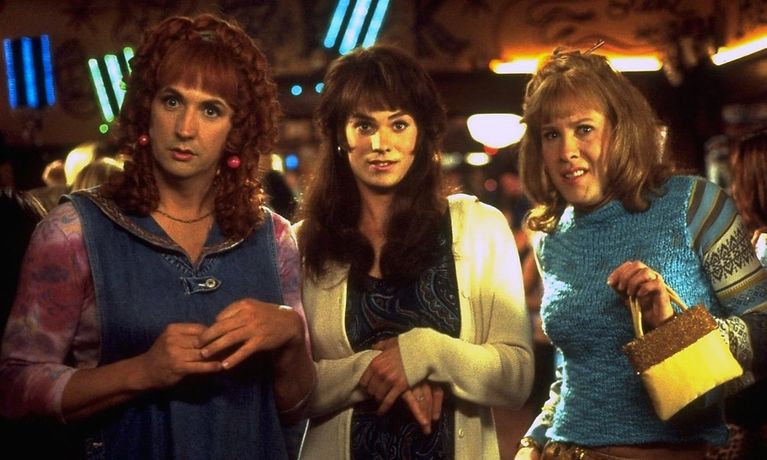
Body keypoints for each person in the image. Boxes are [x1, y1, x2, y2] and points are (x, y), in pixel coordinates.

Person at [0, 13, 314, 460]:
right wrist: (142, 371)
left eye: (211, 110)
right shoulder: (73, 231)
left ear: (237, 131)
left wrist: (291, 336)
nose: (185, 128)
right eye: (172, 101)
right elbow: (14, 386)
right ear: (146, 107)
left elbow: (298, 408)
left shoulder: (274, 238)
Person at [513, 46, 767, 460]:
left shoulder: (695, 204)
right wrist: (533, 440)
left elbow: (763, 329)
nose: (566, 151)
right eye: (551, 134)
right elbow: (574, 370)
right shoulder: (552, 237)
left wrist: (670, 328)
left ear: (622, 131)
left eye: (583, 128)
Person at [295, 45, 534, 460]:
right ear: (339, 137)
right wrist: (372, 370)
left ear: (421, 134)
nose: (380, 143)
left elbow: (516, 378)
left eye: (398, 124)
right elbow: (291, 392)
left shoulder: (479, 228)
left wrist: (426, 353)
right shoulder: (304, 243)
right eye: (363, 125)